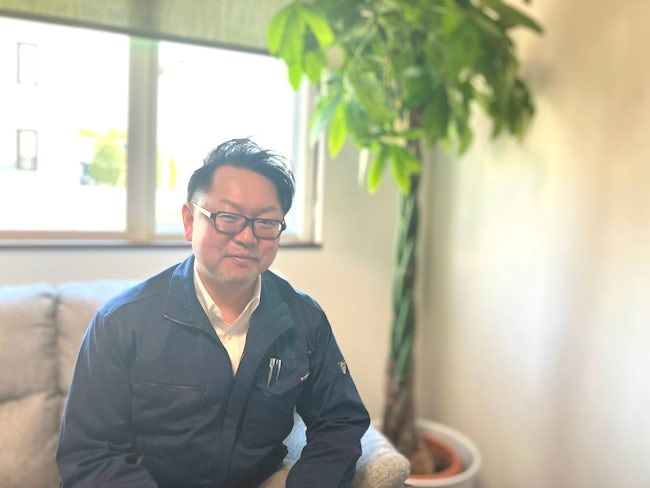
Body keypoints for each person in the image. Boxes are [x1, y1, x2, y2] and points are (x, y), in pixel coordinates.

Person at [57, 138, 370, 487]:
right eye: (229, 218)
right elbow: (90, 455)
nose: (247, 237)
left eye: (266, 222)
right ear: (190, 221)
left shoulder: (304, 320)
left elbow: (340, 421)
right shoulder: (121, 322)